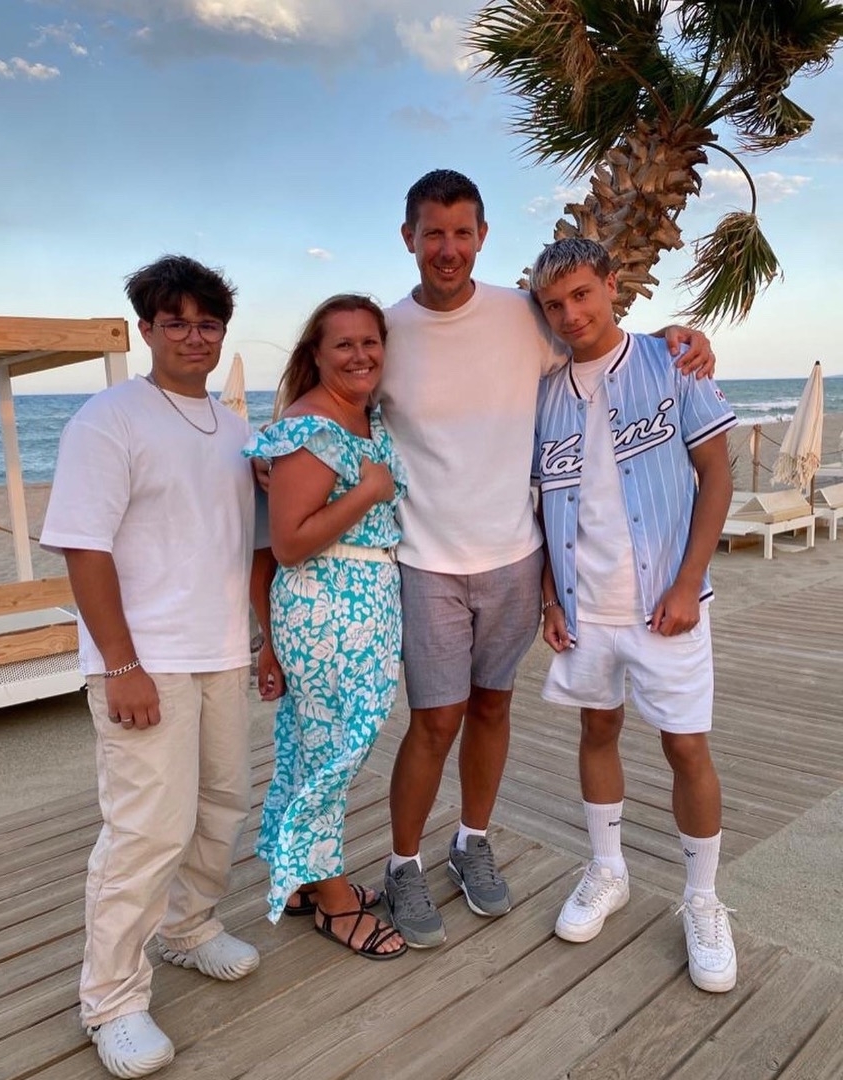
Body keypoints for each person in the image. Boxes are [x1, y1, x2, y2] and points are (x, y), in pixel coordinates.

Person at [378, 168, 716, 949]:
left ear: (482, 236)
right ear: (409, 238)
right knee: (433, 721)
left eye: (463, 232)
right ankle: (402, 863)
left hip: (514, 559)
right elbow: (331, 388)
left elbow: (599, 335)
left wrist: (680, 335)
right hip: (425, 560)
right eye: (433, 233)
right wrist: (282, 458)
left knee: (492, 709)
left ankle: (471, 842)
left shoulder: (522, 314)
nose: (448, 248)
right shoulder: (386, 332)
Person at [40, 254, 284, 1079]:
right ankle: (111, 1000)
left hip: (220, 652)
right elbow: (83, 546)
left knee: (221, 802)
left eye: (207, 323)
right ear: (146, 328)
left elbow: (252, 547)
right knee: (145, 830)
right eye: (175, 322)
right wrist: (121, 665)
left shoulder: (236, 429)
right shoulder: (108, 419)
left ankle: (187, 927)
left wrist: (264, 640)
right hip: (144, 661)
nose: (193, 336)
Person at [530, 237, 738, 992]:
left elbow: (717, 474)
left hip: (665, 605)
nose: (570, 314)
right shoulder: (543, 393)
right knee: (597, 729)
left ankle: (704, 900)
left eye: (582, 295)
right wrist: (549, 597)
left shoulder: (670, 361)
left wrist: (688, 582)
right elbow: (539, 506)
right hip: (585, 610)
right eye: (554, 304)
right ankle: (607, 868)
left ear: (612, 284)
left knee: (686, 747)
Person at [246, 294, 408, 960]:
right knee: (333, 752)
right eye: (343, 343)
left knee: (321, 743)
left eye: (371, 341)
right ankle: (333, 900)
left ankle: (302, 874)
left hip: (363, 605)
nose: (360, 354)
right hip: (326, 610)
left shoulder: (363, 416)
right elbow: (286, 544)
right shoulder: (311, 427)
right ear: (315, 353)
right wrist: (369, 491)